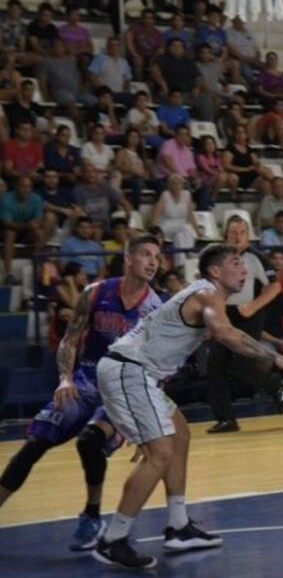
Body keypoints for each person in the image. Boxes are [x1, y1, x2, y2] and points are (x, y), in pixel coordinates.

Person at [92, 242, 283, 568]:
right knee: (160, 453)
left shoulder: (204, 295)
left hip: (136, 374)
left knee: (178, 434)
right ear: (215, 272)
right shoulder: (207, 294)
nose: (244, 269)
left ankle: (179, 527)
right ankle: (113, 540)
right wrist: (278, 357)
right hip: (127, 370)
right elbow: (225, 334)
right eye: (236, 263)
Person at [0, 235, 162, 551]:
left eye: (158, 256)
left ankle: (91, 515)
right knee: (34, 444)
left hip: (121, 388)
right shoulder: (96, 292)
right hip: (86, 379)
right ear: (128, 258)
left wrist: (145, 424)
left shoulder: (155, 308)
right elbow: (70, 339)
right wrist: (64, 379)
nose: (154, 261)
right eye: (146, 254)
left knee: (90, 441)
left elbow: (156, 366)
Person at [206, 216, 283, 434]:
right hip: (225, 316)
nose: (236, 236)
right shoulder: (218, 259)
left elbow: (275, 287)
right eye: (232, 232)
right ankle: (226, 419)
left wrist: (253, 307)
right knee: (214, 365)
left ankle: (276, 384)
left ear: (248, 235)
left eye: (241, 232)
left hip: (249, 317)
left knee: (240, 365)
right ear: (226, 235)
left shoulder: (257, 258)